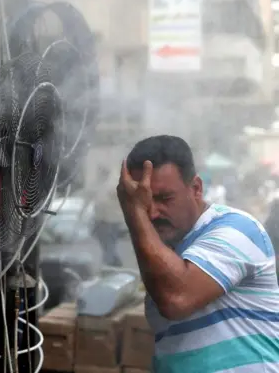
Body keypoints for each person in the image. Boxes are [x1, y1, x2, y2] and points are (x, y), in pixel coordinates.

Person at [118, 135, 279, 373]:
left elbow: (177, 299)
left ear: (196, 188)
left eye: (164, 199)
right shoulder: (162, 258)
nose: (152, 213)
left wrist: (134, 212)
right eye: (144, 202)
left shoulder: (236, 228)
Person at [83, 167, 125, 267]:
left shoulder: (113, 185)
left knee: (110, 241)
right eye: (100, 174)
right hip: (100, 219)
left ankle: (108, 262)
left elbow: (120, 198)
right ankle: (114, 260)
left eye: (103, 174)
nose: (101, 176)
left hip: (112, 219)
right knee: (104, 242)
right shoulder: (97, 186)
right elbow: (89, 198)